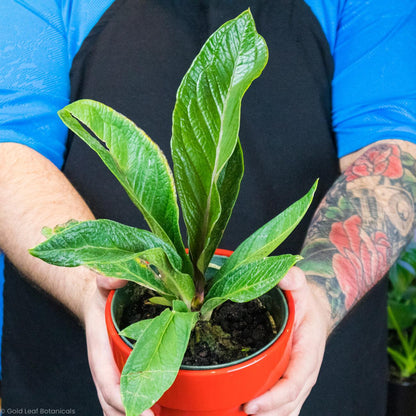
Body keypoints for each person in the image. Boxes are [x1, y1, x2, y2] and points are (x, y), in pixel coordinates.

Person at [0, 0, 415, 415]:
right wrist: (96, 287)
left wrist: (318, 303)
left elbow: (392, 147)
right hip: (85, 354)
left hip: (307, 351)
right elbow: (11, 146)